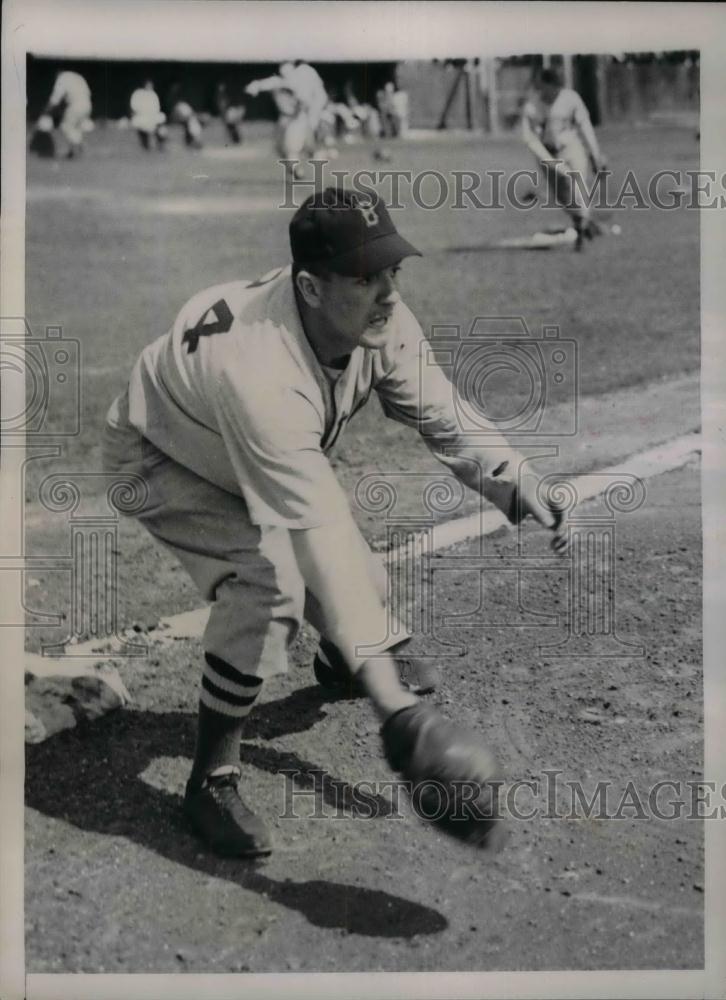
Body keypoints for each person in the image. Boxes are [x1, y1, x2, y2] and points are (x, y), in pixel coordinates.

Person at [102, 188, 569, 858]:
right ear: (311, 289)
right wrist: (399, 713)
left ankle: (341, 659)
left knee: (366, 586)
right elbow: (315, 530)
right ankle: (211, 778)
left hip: (222, 441)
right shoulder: (263, 373)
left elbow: (439, 407)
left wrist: (515, 477)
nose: (386, 293)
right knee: (270, 584)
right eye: (363, 277)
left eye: (391, 272)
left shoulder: (380, 320)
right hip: (158, 454)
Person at [521, 68, 607, 250]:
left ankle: (582, 229)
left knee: (577, 187)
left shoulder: (570, 98)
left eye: (557, 87)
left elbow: (584, 126)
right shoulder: (532, 107)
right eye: (549, 86)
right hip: (547, 153)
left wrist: (595, 154)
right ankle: (584, 222)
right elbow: (532, 142)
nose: (553, 91)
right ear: (542, 85)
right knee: (563, 198)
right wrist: (555, 166)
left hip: (571, 148)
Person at [245, 61, 330, 174]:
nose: (285, 72)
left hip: (297, 118)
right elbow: (262, 84)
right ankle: (306, 159)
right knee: (279, 148)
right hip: (284, 119)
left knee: (292, 146)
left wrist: (306, 108)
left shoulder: (299, 83)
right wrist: (254, 86)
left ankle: (297, 169)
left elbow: (307, 101)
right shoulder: (277, 81)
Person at [44, 69, 93, 159]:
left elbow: (55, 99)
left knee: (66, 126)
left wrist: (46, 111)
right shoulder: (77, 77)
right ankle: (73, 151)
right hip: (87, 104)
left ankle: (79, 147)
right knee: (76, 128)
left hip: (76, 105)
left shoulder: (62, 78)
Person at [129, 80, 168, 151]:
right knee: (142, 125)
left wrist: (152, 116)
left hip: (152, 116)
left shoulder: (153, 94)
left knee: (161, 119)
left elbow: (157, 108)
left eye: (151, 85)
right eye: (148, 85)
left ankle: (160, 143)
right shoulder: (138, 93)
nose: (149, 86)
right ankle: (145, 144)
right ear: (144, 85)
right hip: (141, 116)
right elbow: (134, 107)